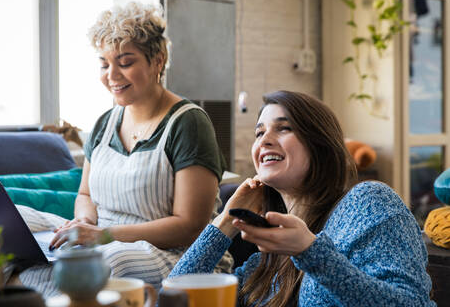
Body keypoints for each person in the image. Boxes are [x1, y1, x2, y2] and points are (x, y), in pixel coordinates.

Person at [0, 2, 230, 296]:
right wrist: (85, 222)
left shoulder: (188, 122)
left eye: (125, 62)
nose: (111, 75)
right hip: (99, 234)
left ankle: (8, 288)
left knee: (107, 260)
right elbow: (85, 194)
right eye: (104, 63)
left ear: (158, 60)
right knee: (1, 221)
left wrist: (104, 235)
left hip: (172, 254)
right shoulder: (104, 123)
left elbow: (190, 225)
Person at [169, 90, 436, 306]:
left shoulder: (368, 203)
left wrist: (310, 251)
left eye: (283, 129)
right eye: (259, 133)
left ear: (320, 146)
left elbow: (411, 303)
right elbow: (176, 294)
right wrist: (225, 221)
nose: (265, 140)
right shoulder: (268, 259)